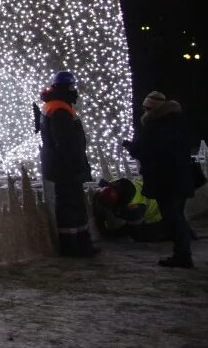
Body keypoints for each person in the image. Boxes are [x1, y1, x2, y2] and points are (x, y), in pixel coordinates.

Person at [124, 91, 196, 268]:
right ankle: (183, 249)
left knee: (172, 216)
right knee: (178, 213)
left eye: (146, 108)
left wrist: (130, 147)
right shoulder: (178, 122)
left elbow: (144, 149)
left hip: (165, 178)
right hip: (182, 176)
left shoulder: (154, 126)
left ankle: (183, 254)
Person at [35, 71, 96, 257]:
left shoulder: (57, 105)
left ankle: (82, 244)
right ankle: (73, 247)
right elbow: (65, 141)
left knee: (75, 204)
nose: (75, 90)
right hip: (65, 167)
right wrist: (74, 164)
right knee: (70, 206)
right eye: (72, 86)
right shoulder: (59, 109)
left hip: (63, 165)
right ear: (66, 88)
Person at [94, 177, 168, 242]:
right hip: (153, 200)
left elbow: (133, 228)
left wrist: (114, 233)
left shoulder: (133, 208)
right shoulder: (117, 184)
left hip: (158, 216)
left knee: (138, 237)